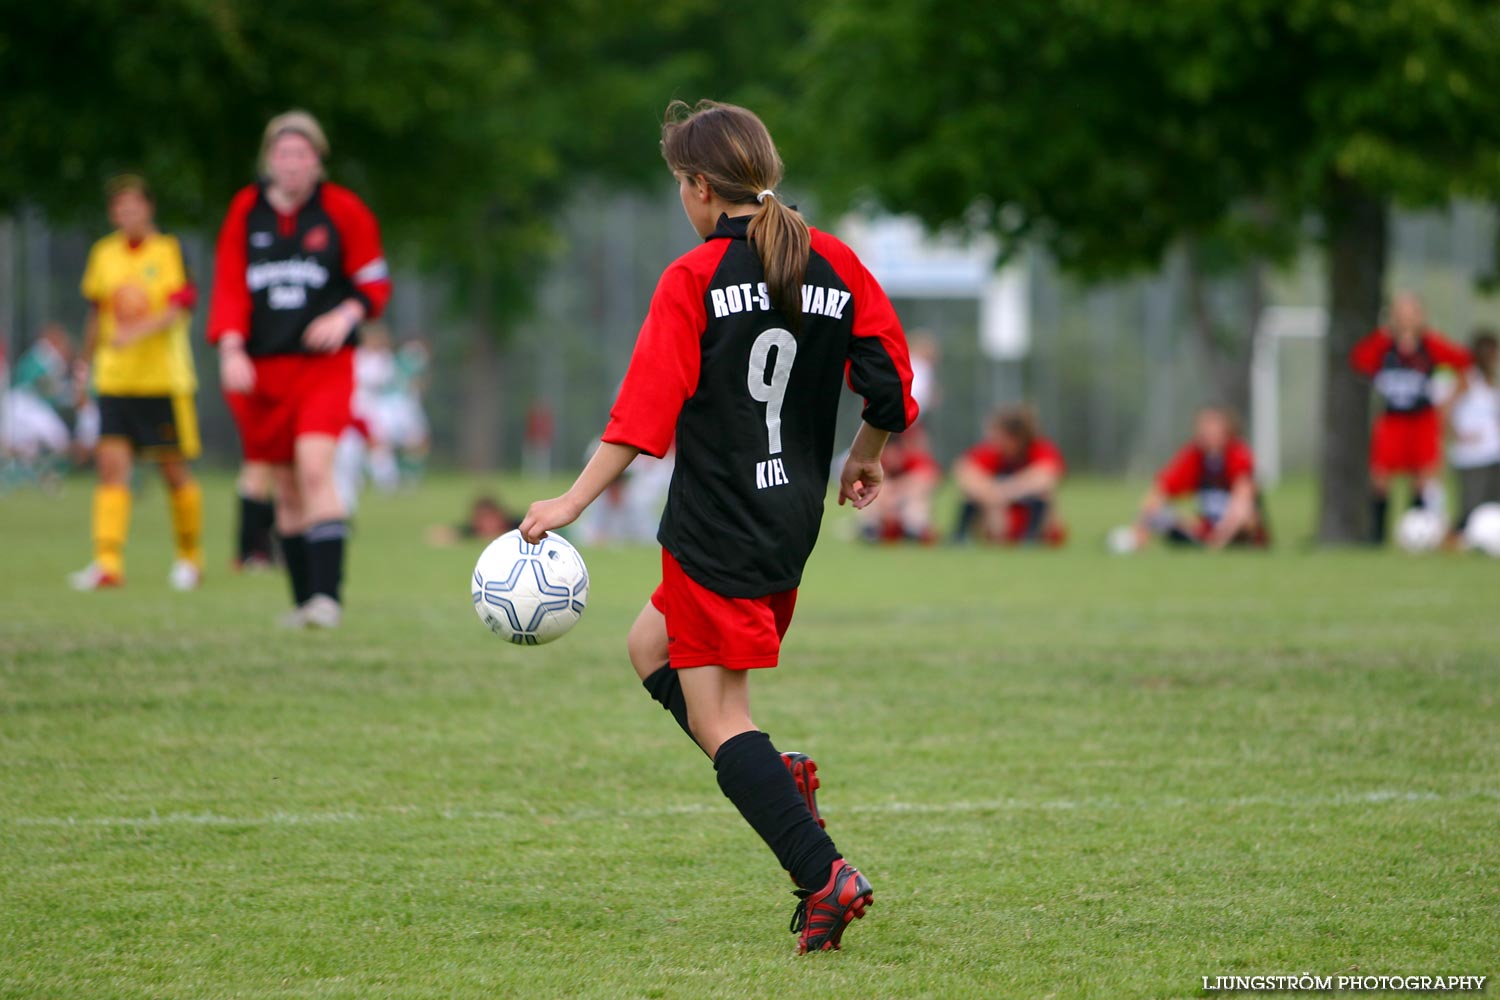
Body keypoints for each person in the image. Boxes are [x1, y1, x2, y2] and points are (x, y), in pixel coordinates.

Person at [517, 100, 917, 954]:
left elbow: (639, 419)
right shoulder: (834, 259)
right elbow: (889, 383)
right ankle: (777, 778)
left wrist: (567, 505)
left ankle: (823, 874)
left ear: (701, 188)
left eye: (680, 187)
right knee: (647, 648)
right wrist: (865, 454)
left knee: (721, 715)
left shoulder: (693, 278)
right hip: (786, 522)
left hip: (715, 525)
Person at [208, 110, 391, 628]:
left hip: (323, 368)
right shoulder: (246, 210)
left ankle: (328, 599)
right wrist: (230, 349)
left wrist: (346, 313)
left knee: (315, 469)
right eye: (283, 154)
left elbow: (373, 280)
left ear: (318, 160)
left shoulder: (342, 210)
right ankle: (304, 601)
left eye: (302, 154)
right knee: (284, 487)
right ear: (269, 159)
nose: (292, 164)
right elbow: (229, 286)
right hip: (263, 371)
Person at [69, 176, 203, 591]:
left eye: (135, 206)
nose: (128, 215)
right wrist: (84, 364)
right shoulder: (103, 254)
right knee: (111, 469)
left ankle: (189, 558)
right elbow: (97, 313)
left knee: (173, 471)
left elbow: (179, 309)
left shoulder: (168, 250)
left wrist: (137, 331)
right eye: (120, 208)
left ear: (149, 208)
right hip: (115, 379)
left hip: (162, 380)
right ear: (114, 213)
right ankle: (107, 562)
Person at [1350, 292, 1470, 544]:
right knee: (1380, 479)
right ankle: (1376, 538)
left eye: (1411, 313)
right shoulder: (1385, 345)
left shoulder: (1430, 345)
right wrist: (1384, 334)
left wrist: (1446, 404)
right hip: (1393, 420)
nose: (1405, 319)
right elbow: (1360, 359)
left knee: (1423, 480)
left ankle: (1417, 534)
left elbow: (1462, 363)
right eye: (1400, 313)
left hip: (1422, 420)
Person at [1132, 407, 1267, 549]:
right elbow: (1161, 489)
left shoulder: (1238, 455)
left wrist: (1218, 540)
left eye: (1214, 427)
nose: (1209, 433)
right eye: (1205, 428)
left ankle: (1221, 543)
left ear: (1227, 430)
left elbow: (1242, 501)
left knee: (1246, 514)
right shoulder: (1194, 455)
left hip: (1236, 529)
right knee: (1160, 515)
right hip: (1208, 527)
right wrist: (1139, 529)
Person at [952, 404, 1066, 544]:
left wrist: (1003, 492)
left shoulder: (1040, 449)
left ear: (1015, 439)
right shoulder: (992, 452)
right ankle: (961, 537)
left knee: (1043, 494)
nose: (992, 439)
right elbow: (964, 472)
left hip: (1032, 519)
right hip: (999, 521)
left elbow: (1045, 478)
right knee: (973, 497)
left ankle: (1031, 538)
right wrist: (992, 495)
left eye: (997, 435)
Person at [1448, 329, 1500, 535]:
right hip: (1471, 455)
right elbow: (1446, 410)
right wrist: (1458, 434)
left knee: (1492, 503)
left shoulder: (1493, 382)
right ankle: (1459, 539)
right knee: (1471, 505)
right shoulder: (1467, 379)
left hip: (1493, 451)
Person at [861, 424, 941, 543]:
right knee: (871, 498)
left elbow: (930, 477)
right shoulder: (877, 463)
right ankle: (872, 531)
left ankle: (913, 532)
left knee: (916, 502)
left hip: (905, 506)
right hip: (884, 511)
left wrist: (897, 490)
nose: (891, 457)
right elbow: (861, 486)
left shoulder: (913, 459)